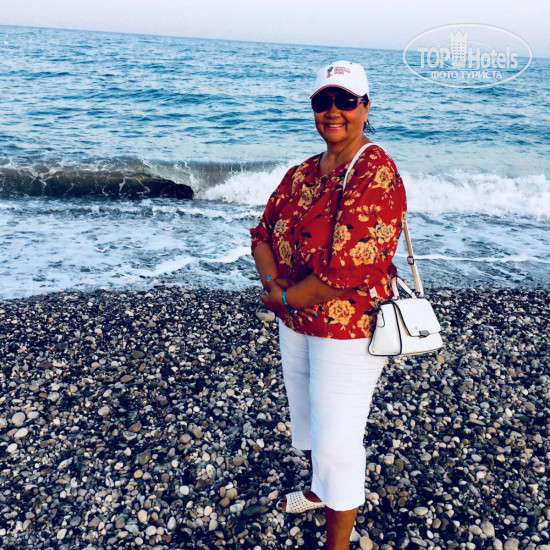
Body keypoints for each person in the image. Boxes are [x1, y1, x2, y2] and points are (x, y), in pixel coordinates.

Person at [250, 60, 407, 550]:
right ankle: (320, 490)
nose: (333, 111)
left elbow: (349, 268)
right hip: (294, 319)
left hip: (349, 328)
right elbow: (262, 232)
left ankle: (336, 542)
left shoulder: (376, 171)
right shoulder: (302, 173)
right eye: (323, 101)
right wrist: (274, 285)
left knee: (338, 441)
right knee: (308, 420)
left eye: (345, 101)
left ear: (366, 107)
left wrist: (282, 297)